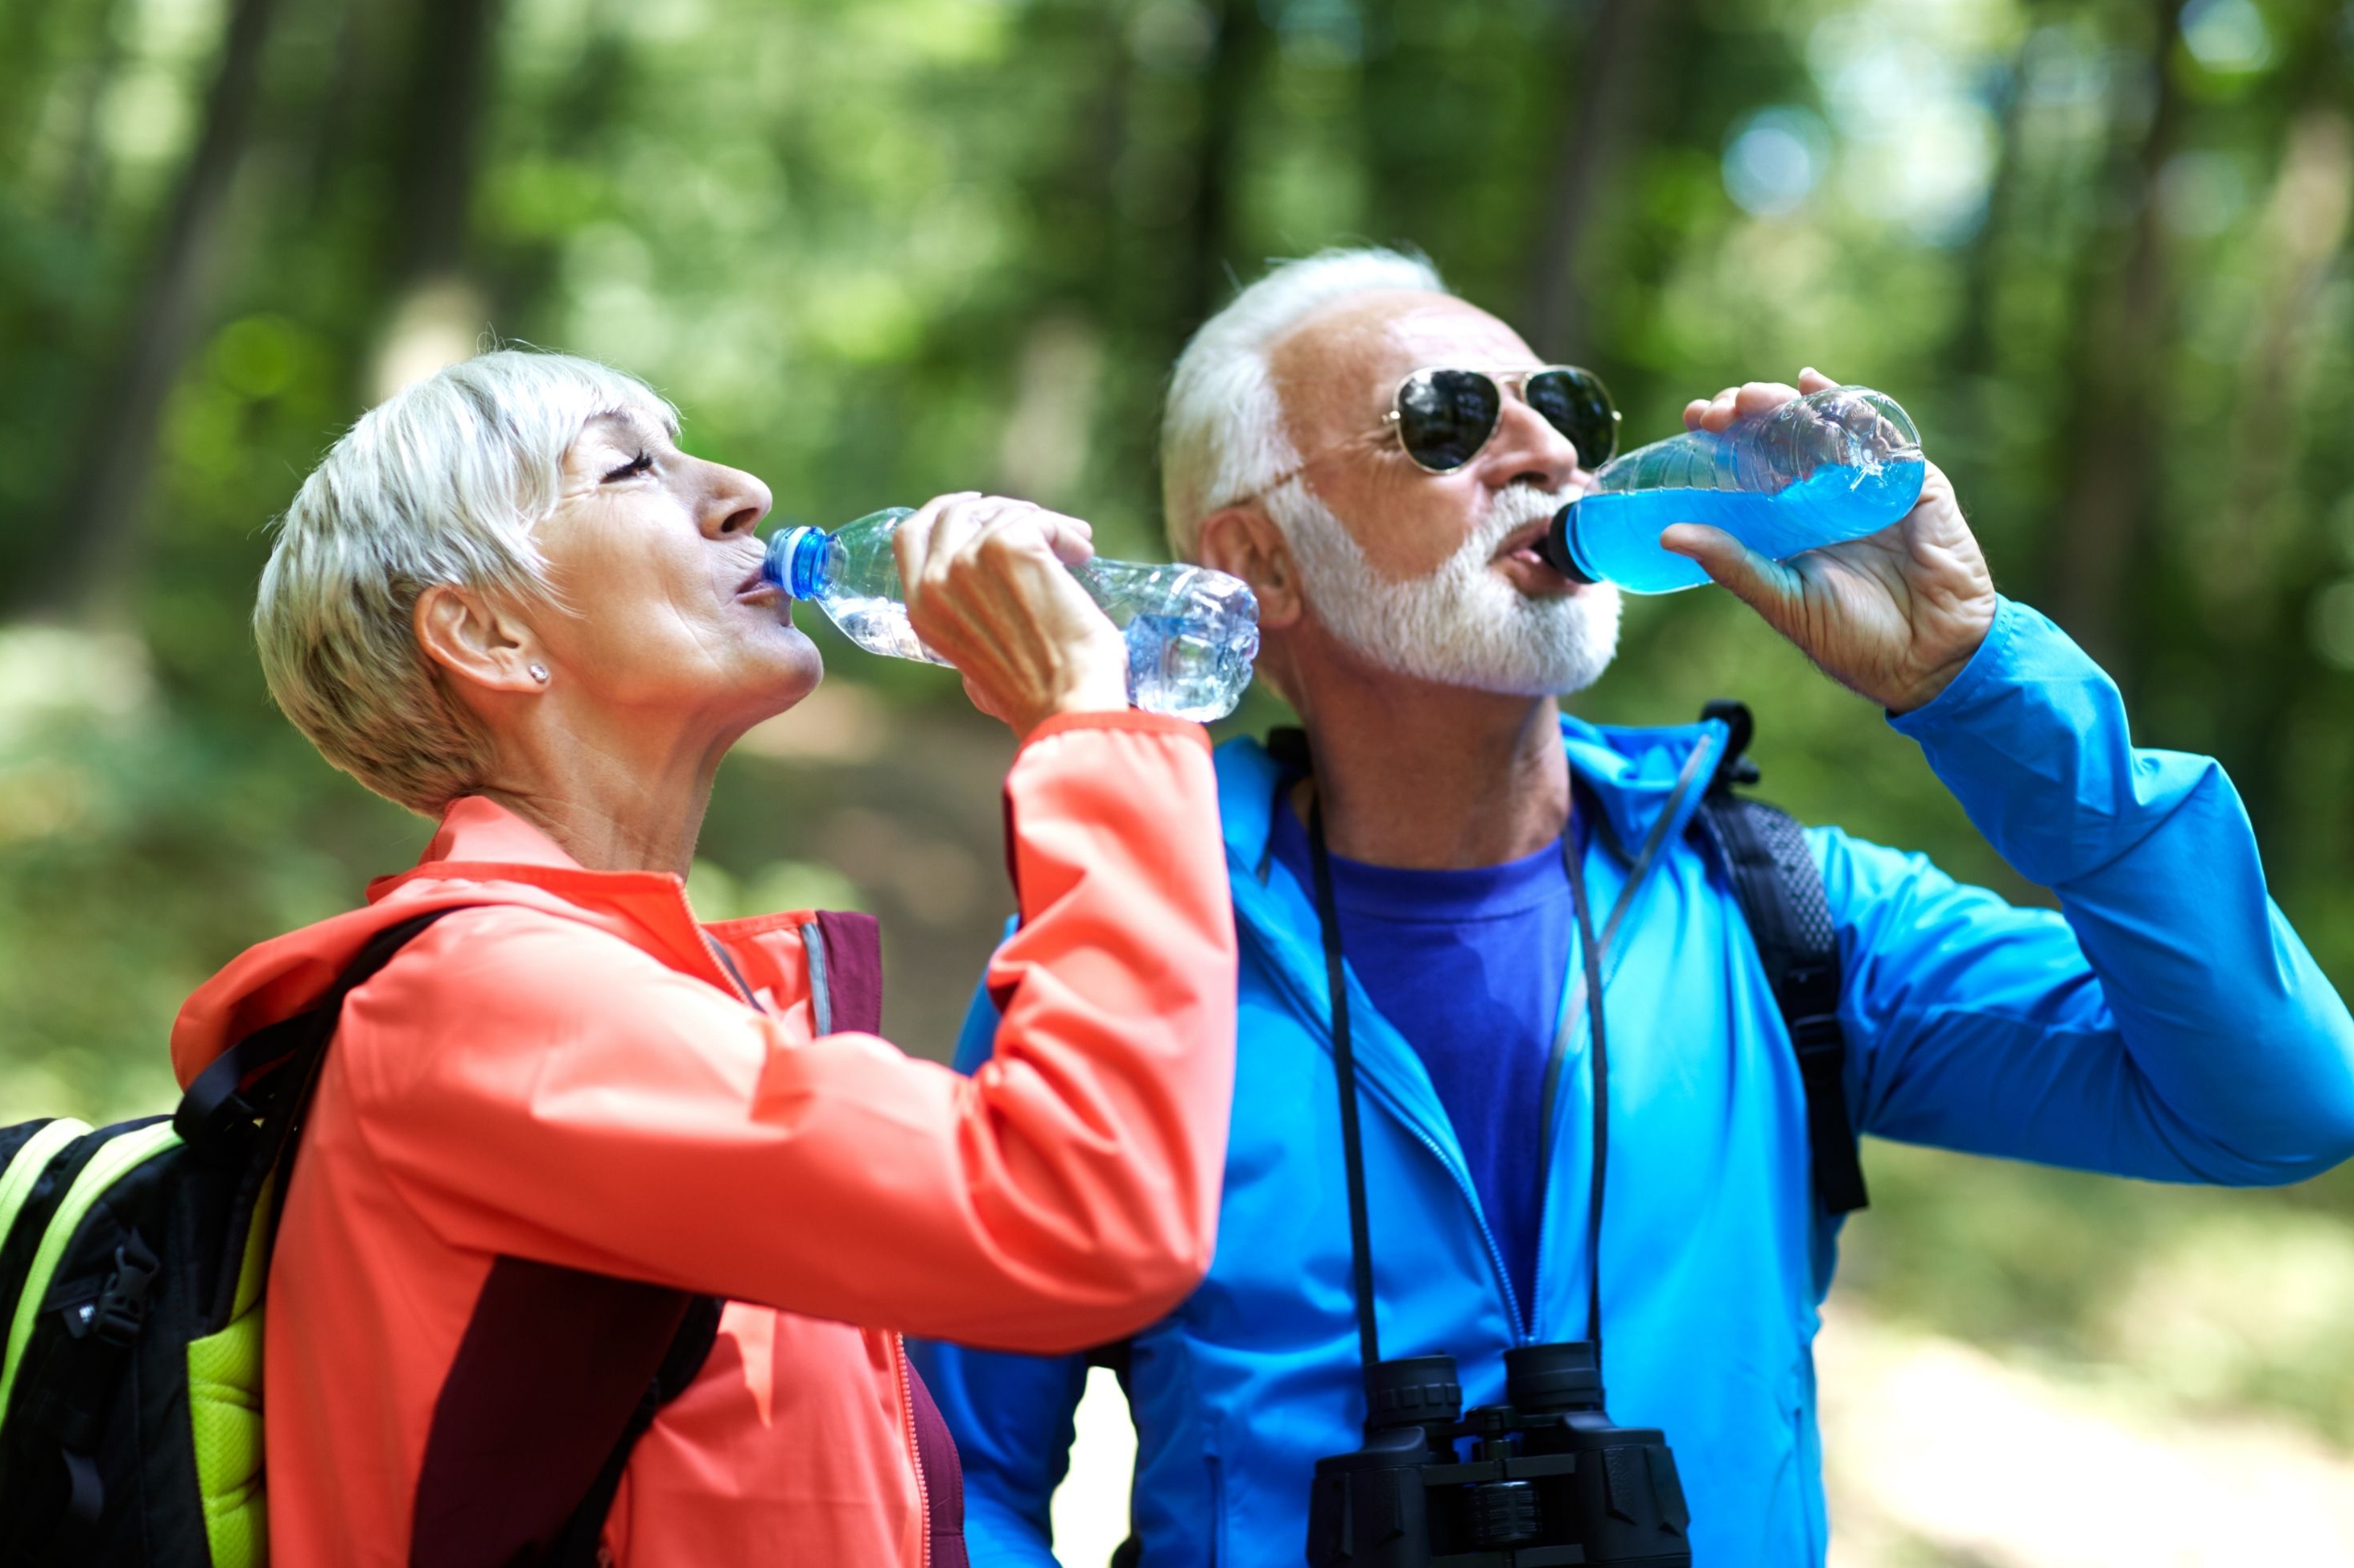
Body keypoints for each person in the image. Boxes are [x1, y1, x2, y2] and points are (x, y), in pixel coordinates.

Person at [911, 248, 2354, 1566]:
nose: (1543, 448)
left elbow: (2275, 1103)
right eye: (1447, 419)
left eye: (1566, 409)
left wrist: (1976, 686)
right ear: (1259, 563)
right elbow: (954, 1472)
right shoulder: (1116, 953)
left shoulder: (1783, 910)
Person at [171, 349, 1239, 1566]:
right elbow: (1086, 1212)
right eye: (630, 465)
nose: (742, 490)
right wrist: (1087, 726)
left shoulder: (641, 1000)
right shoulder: (491, 1006)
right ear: (486, 630)